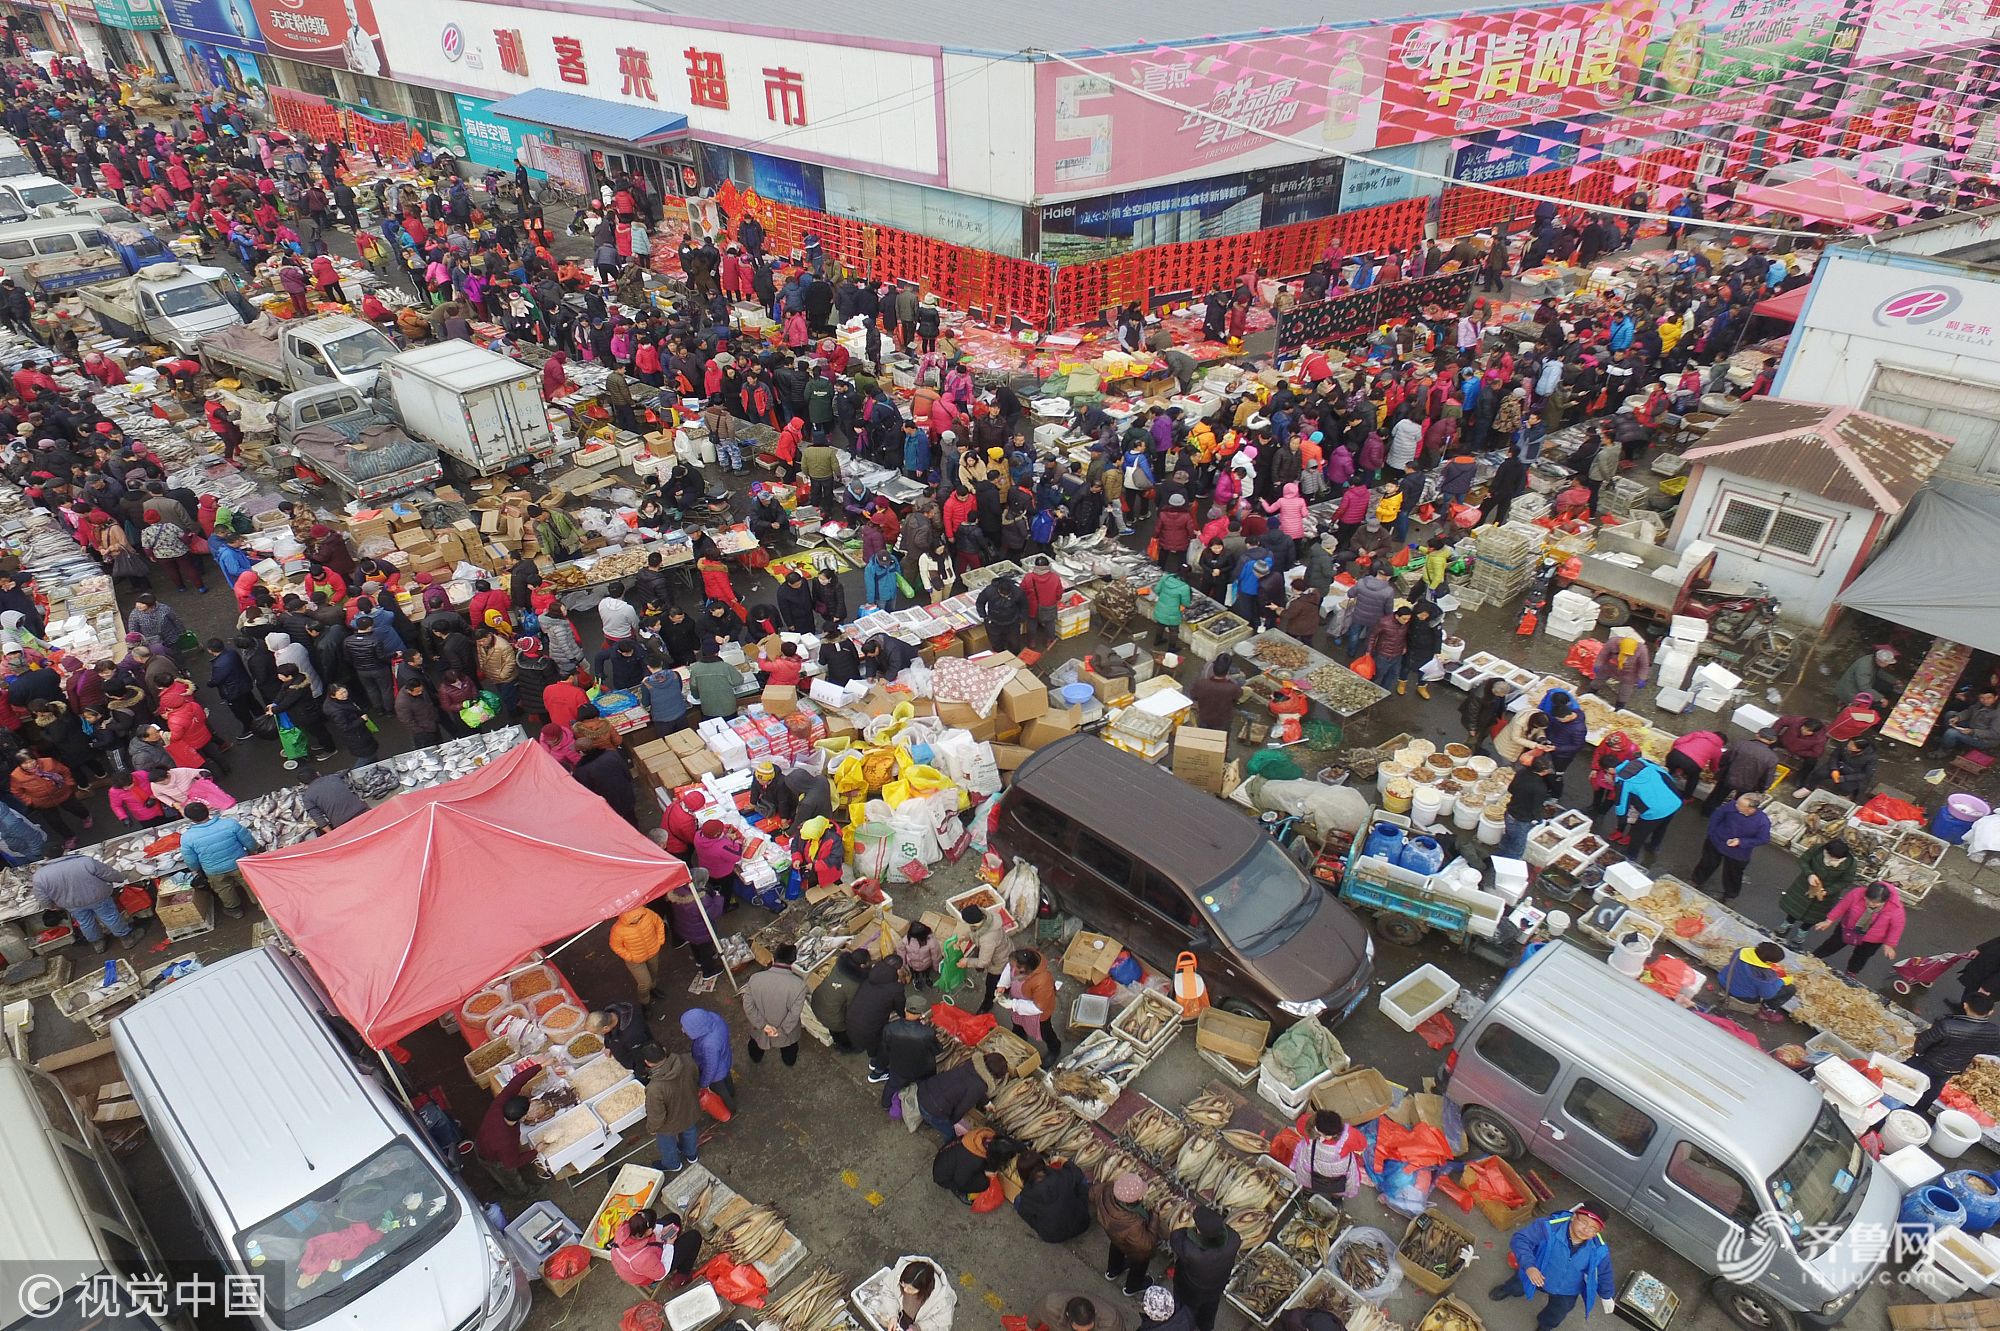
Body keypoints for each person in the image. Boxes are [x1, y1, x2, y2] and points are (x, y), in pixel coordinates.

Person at [1491, 1205, 1617, 1329]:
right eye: (1584, 1222)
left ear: (1597, 1232)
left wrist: (1606, 1295)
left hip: (1567, 1290)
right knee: (1517, 1285)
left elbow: (1604, 1273)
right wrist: (1529, 1266)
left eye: (1593, 1228)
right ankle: (1508, 1289)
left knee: (1556, 1313)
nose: (1586, 1230)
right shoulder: (1548, 1227)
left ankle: (1545, 1326)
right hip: (1536, 1274)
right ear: (1573, 1217)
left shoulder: (1599, 1250)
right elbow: (1521, 1239)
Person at [1908, 995, 2000, 1114]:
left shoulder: (1947, 1025)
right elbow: (1993, 1050)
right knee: (1934, 1087)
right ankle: (1918, 1111)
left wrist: (1918, 1053)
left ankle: (1898, 1097)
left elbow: (1923, 1041)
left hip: (1930, 1061)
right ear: (1991, 1012)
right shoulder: (1995, 1032)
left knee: (1908, 1075)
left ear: (1965, 1006)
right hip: (1954, 1067)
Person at [32, 852, 136, 953]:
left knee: (85, 923)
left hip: (72, 904)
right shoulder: (85, 861)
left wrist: (51, 906)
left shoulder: (39, 876)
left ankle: (98, 944)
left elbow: (42, 897)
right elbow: (108, 873)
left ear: (45, 857)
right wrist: (120, 879)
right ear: (64, 849)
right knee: (110, 917)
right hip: (97, 897)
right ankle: (127, 939)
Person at [178, 800, 259, 918]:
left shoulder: (187, 837)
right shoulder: (229, 824)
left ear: (190, 819)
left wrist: (195, 869)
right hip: (239, 863)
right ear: (207, 811)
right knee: (250, 883)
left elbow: (190, 859)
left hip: (214, 870)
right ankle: (261, 903)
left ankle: (235, 910)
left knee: (224, 889)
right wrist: (253, 851)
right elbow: (248, 840)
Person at [1811, 880, 1905, 978]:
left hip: (1872, 939)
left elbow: (1897, 927)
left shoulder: (1896, 909)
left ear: (1885, 901)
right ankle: (1814, 957)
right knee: (1832, 944)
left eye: (1876, 903)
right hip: (1848, 928)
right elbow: (1842, 906)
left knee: (1861, 956)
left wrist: (1889, 944)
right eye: (1868, 900)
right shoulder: (1856, 894)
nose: (1871, 904)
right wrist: (1829, 920)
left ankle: (1852, 972)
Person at [1167, 1206, 1241, 1331]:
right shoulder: (1234, 1240)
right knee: (1210, 1309)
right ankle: (1206, 1327)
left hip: (1191, 1289)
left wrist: (1191, 1231)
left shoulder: (1190, 1251)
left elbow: (1175, 1236)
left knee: (1186, 1311)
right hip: (1217, 1285)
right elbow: (1227, 1231)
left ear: (1199, 1232)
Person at [474, 1062, 542, 1196]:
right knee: (510, 1178)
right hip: (492, 1158)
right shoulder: (505, 1141)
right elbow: (511, 1163)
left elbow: (516, 1082)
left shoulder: (499, 1105)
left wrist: (540, 1066)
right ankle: (524, 1194)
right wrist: (535, 1152)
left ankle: (493, 1178)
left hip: (482, 1142)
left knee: (494, 1170)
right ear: (522, 1117)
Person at [1690, 793, 1770, 902]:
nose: (1735, 805)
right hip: (1716, 842)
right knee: (1707, 862)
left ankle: (1730, 895)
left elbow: (1763, 839)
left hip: (1738, 852)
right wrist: (1712, 833)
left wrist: (1741, 842)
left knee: (1733, 873)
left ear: (1750, 809)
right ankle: (1696, 880)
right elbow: (1717, 816)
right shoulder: (1732, 806)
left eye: (1739, 805)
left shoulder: (1762, 822)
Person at [1775, 840, 1855, 947]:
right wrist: (1810, 874)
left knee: (1813, 916)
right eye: (1831, 856)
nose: (1832, 859)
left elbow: (1845, 881)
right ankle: (1787, 924)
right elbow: (1804, 860)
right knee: (1795, 907)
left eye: (1836, 858)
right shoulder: (1817, 849)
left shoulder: (1851, 863)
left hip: (1826, 895)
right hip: (1805, 885)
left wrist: (1828, 891)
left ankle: (1802, 932)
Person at [1092, 1171, 1159, 1296]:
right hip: (1132, 1244)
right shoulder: (1134, 1223)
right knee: (1140, 1262)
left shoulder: (1104, 1190)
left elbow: (1092, 1193)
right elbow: (1147, 1245)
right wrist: (1154, 1217)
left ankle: (1112, 1271)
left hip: (1114, 1235)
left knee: (1116, 1248)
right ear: (1139, 1199)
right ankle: (1132, 1287)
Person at [742, 942, 809, 1066]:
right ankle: (789, 1062)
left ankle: (755, 1058)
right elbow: (794, 1014)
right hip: (786, 1033)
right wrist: (781, 1031)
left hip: (759, 1029)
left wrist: (763, 1026)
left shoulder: (755, 978)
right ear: (793, 963)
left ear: (773, 959)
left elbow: (748, 1006)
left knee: (756, 1044)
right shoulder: (799, 985)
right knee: (789, 1049)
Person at [915, 1049, 1005, 1140]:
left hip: (923, 1091)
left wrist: (987, 1103)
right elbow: (961, 1110)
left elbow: (973, 1083)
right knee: (950, 1134)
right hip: (934, 1109)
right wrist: (951, 1123)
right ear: (995, 1076)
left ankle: (927, 1120)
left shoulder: (970, 1064)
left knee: (930, 1111)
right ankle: (946, 1142)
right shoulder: (979, 1086)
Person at [1608, 756, 1682, 865]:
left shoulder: (1622, 781)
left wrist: (1621, 823)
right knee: (1661, 827)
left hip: (1655, 811)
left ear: (1609, 770)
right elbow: (1666, 775)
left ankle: (1631, 857)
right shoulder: (1642, 762)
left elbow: (1621, 807)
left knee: (1638, 835)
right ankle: (1653, 846)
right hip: (1674, 801)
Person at [642, 1041, 702, 1172]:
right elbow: (696, 1077)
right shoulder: (686, 1060)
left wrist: (652, 1128)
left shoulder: (654, 1088)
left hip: (669, 1124)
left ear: (647, 1062)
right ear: (664, 1050)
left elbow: (657, 1115)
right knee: (689, 1131)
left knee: (666, 1143)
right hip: (690, 1109)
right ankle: (691, 1155)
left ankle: (673, 1164)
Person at [879, 991, 943, 1112]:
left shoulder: (890, 1028)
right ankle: (925, 1110)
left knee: (892, 1085)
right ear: (922, 1014)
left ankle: (885, 1104)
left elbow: (886, 1048)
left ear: (905, 1008)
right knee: (925, 1089)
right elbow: (937, 1050)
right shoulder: (927, 1033)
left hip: (899, 1068)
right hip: (922, 1070)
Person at [610, 1210, 701, 1292]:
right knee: (694, 1237)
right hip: (651, 1272)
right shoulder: (642, 1259)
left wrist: (660, 1231)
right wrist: (669, 1244)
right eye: (653, 1228)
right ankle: (681, 1276)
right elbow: (661, 1273)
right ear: (649, 1231)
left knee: (674, 1218)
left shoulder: (626, 1228)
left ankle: (677, 1246)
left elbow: (646, 1237)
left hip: (638, 1258)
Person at [1286, 1109, 1366, 1201]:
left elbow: (1299, 1126)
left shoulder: (1306, 1123)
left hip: (1311, 1165)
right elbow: (1362, 1145)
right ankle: (1336, 1198)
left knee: (1308, 1180)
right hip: (1336, 1173)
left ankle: (1307, 1193)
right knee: (1337, 1187)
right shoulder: (1349, 1135)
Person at [1014, 1150, 1092, 1243]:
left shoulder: (1026, 1196)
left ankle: (1047, 1225)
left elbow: (1026, 1214)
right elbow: (1078, 1173)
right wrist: (1063, 1161)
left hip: (1052, 1237)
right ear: (1043, 1163)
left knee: (1018, 1201)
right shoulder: (1063, 1175)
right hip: (1083, 1224)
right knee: (1081, 1180)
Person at [1000, 947, 1060, 1060]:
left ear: (1029, 971)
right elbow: (1009, 968)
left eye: (1019, 971)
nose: (1014, 971)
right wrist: (1002, 985)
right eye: (1014, 967)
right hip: (1018, 1004)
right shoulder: (1020, 960)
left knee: (1045, 1032)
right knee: (1017, 1023)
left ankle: (1054, 1049)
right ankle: (1019, 1035)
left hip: (1038, 1015)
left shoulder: (1043, 981)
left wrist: (1014, 1005)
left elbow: (1038, 1007)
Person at [861, 1258, 953, 1331]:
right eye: (903, 1284)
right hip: (900, 1312)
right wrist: (893, 1316)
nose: (905, 1290)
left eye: (911, 1289)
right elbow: (887, 1291)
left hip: (918, 1324)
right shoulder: (900, 1271)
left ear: (923, 1289)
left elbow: (942, 1324)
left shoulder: (942, 1300)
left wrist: (918, 1328)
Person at [932, 1127, 1018, 1204]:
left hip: (950, 1158)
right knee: (983, 1183)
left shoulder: (986, 1135)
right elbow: (960, 1181)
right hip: (944, 1177)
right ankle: (959, 1192)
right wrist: (986, 1174)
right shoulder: (975, 1161)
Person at [1716, 942, 1794, 1022]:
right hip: (1741, 995)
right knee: (1790, 989)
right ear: (1768, 962)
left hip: (1724, 981)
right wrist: (1781, 981)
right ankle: (1766, 1011)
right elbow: (1767, 994)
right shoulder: (1764, 975)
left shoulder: (1741, 951)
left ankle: (1723, 993)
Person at [813, 947, 873, 1051]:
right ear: (862, 965)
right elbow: (853, 1008)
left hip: (817, 1002)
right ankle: (846, 1047)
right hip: (833, 1017)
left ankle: (839, 1040)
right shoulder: (854, 984)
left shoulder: (838, 967)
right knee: (842, 1034)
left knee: (834, 1028)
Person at [680, 1007, 736, 1114]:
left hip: (716, 1074)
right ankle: (732, 1092)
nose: (683, 1030)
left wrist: (703, 1083)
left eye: (686, 1028)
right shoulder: (715, 1019)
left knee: (721, 1092)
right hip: (725, 1059)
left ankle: (730, 1108)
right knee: (727, 1079)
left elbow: (711, 1067)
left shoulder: (709, 1044)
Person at [610, 905, 666, 1006]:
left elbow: (659, 924)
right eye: (633, 919)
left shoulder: (648, 914)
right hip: (635, 961)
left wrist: (659, 941)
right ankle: (645, 1003)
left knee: (654, 973)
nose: (637, 919)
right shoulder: (618, 929)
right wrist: (630, 957)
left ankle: (653, 989)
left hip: (652, 952)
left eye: (638, 916)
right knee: (645, 983)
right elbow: (616, 946)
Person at [958, 904, 1009, 1014]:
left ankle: (987, 1004)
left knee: (991, 984)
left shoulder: (988, 939)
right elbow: (976, 933)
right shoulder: (986, 918)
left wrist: (966, 962)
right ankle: (1006, 985)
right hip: (1004, 950)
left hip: (999, 962)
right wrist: (965, 937)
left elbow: (984, 962)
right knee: (1005, 978)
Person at [302, 771, 367, 831]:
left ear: (303, 783)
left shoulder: (307, 797)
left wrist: (332, 834)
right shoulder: (333, 777)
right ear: (318, 773)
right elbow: (343, 773)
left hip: (343, 824)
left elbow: (319, 819)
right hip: (364, 812)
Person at [1835, 647, 1900, 704]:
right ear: (1880, 661)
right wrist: (1881, 699)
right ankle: (1845, 704)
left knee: (1884, 687)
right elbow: (1864, 688)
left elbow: (1879, 672)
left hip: (1858, 684)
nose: (1888, 665)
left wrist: (1895, 681)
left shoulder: (1873, 659)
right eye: (1887, 663)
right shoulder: (1865, 668)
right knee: (1865, 705)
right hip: (1849, 691)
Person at [1036, 1293, 1132, 1331]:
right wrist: (1030, 1326)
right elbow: (1038, 1312)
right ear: (1068, 1315)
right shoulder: (1051, 1304)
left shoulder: (1112, 1322)